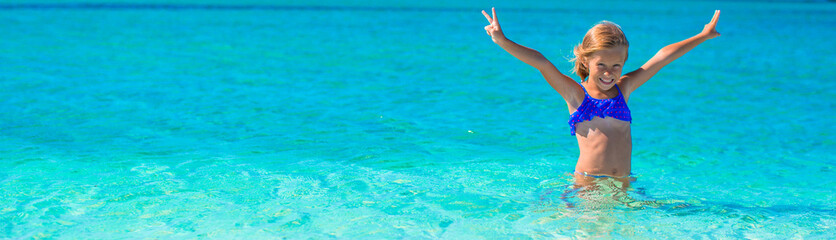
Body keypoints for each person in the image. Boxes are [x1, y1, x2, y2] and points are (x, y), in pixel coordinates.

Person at [482, 8, 721, 187]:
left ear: (624, 62)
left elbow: (661, 58)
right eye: (601, 65)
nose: (609, 72)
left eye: (616, 65)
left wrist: (702, 36)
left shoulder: (623, 89)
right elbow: (542, 63)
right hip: (588, 185)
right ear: (586, 60)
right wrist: (503, 41)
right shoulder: (576, 94)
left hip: (623, 184)